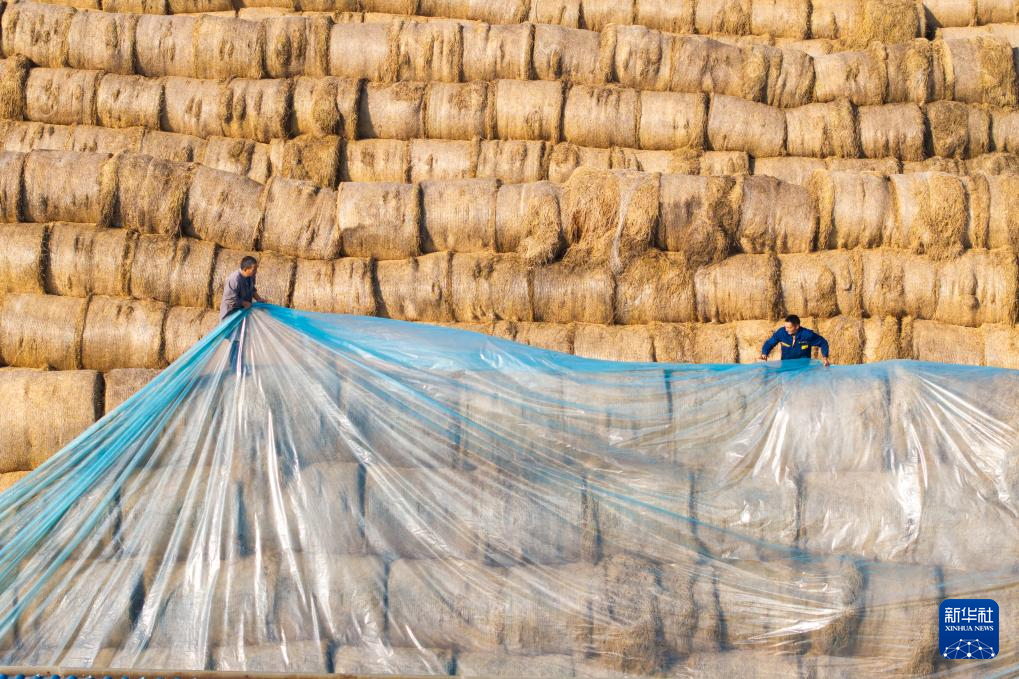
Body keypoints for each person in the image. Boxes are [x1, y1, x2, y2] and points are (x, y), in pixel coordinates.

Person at [760, 315, 831, 367]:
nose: (786, 329)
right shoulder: (781, 332)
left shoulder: (807, 334)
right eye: (785, 327)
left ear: (797, 326)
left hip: (803, 368)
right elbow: (770, 343)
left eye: (789, 327)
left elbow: (823, 342)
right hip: (786, 367)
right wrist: (764, 353)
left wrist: (825, 357)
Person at [219, 256, 266, 320]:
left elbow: (252, 289)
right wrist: (244, 303)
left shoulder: (251, 276)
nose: (256, 271)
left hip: (244, 312)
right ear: (245, 269)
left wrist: (259, 299)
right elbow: (229, 299)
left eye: (256, 269)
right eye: (254, 269)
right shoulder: (234, 280)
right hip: (231, 315)